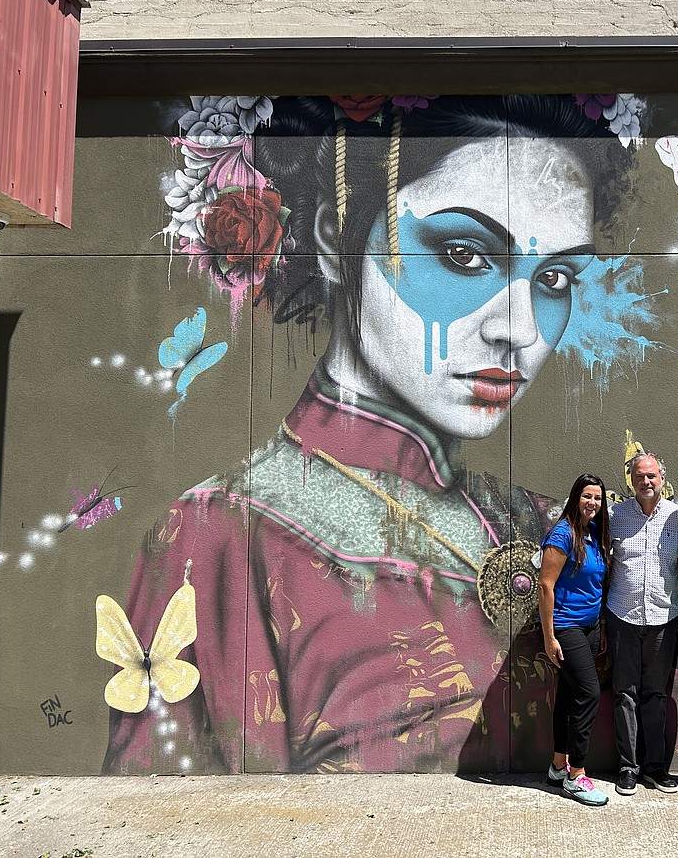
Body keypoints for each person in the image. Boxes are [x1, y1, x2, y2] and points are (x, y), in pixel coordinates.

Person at [102, 95, 637, 774]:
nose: (521, 329)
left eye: (555, 277)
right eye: (466, 254)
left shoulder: (535, 516)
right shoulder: (218, 535)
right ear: (335, 237)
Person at [605, 452, 678, 795]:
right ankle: (628, 767)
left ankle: (655, 767)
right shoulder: (615, 515)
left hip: (664, 618)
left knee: (656, 694)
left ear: (662, 478)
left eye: (652, 476)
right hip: (621, 616)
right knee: (624, 693)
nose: (646, 482)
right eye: (639, 476)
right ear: (631, 479)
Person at [538, 474, 611, 806]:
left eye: (597, 498)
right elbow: (545, 586)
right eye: (587, 496)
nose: (592, 503)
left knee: (568, 696)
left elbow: (596, 585)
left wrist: (603, 628)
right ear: (574, 497)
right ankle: (576, 775)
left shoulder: (593, 533)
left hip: (590, 628)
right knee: (589, 693)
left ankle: (557, 765)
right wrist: (549, 636)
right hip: (566, 628)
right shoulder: (563, 534)